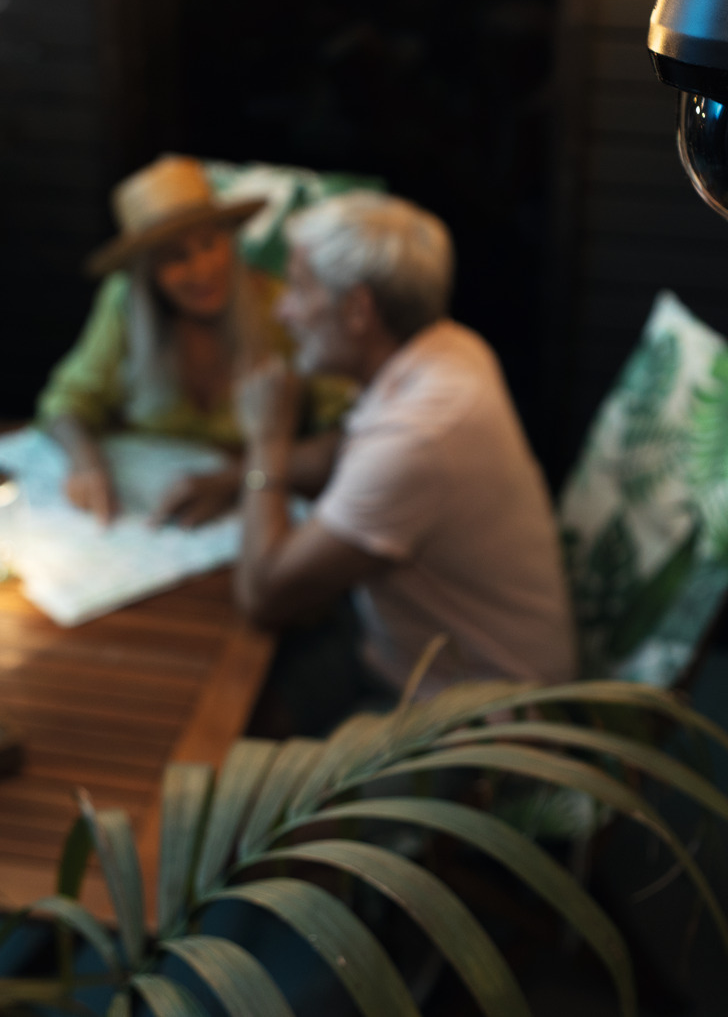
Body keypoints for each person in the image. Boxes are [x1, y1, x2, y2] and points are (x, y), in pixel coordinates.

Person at [232, 191, 575, 710]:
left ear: (358, 310)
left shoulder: (419, 437)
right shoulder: (450, 348)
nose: (283, 311)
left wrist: (266, 441)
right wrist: (228, 478)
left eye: (299, 289)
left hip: (475, 720)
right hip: (408, 657)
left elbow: (263, 594)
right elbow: (345, 451)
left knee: (231, 700)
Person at [38, 155, 351, 527]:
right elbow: (66, 400)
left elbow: (347, 432)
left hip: (259, 511)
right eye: (175, 257)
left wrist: (235, 480)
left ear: (230, 239)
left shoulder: (282, 307)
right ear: (148, 273)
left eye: (209, 243)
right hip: (149, 514)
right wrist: (86, 461)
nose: (202, 269)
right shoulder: (124, 303)